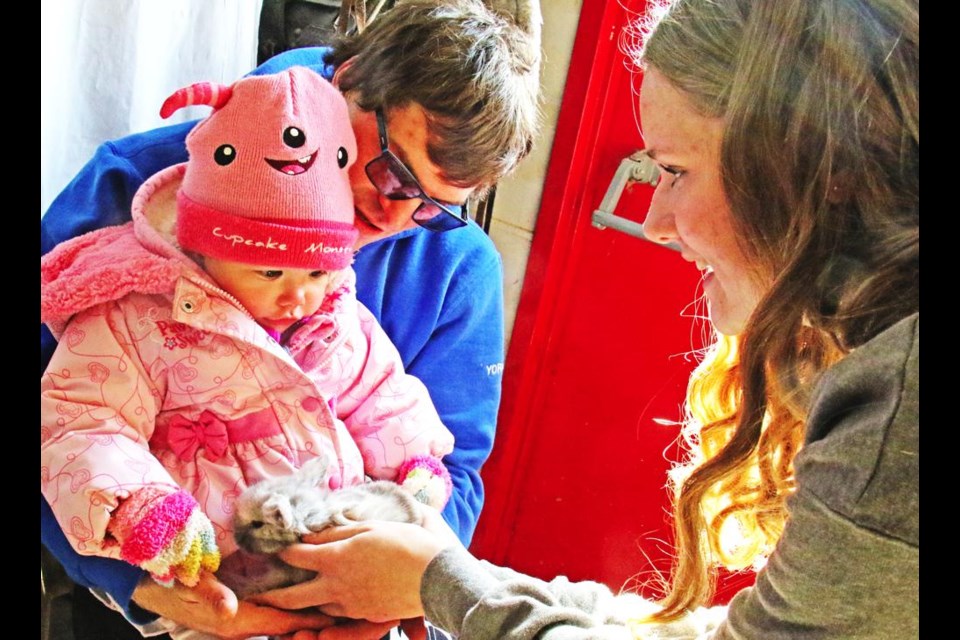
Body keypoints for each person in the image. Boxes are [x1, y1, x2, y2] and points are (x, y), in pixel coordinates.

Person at [249, 0, 920, 637]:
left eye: (675, 171)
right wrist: (445, 581)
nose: (655, 222)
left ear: (804, 165)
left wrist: (440, 583)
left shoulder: (896, 417)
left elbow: (454, 473)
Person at [40, 1, 542, 638]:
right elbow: (63, 423)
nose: (391, 219)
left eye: (434, 206)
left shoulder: (456, 268)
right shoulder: (150, 183)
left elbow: (450, 464)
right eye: (391, 173)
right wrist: (140, 587)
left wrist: (393, 594)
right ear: (350, 80)